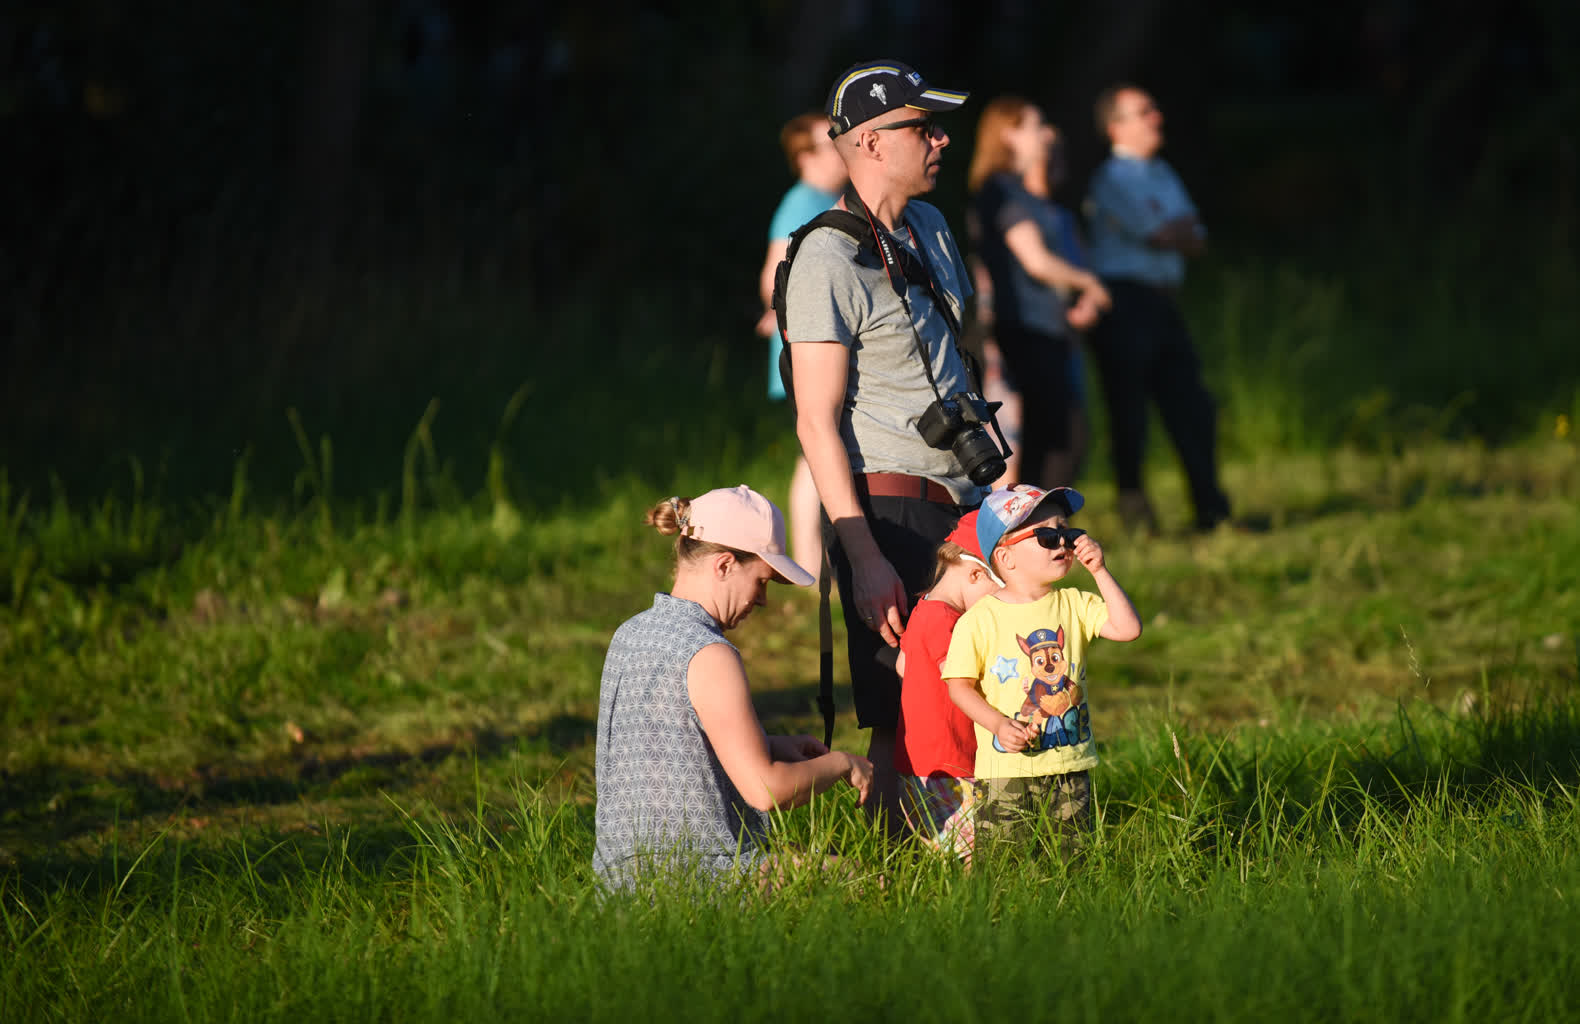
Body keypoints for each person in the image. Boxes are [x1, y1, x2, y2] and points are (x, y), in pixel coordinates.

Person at [782, 59, 994, 831]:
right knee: (904, 709)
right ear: (869, 141)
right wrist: (862, 553)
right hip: (891, 504)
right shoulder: (825, 260)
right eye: (922, 127)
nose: (941, 139)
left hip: (963, 499)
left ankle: (970, 854)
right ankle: (894, 867)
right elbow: (815, 419)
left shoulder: (931, 228)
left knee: (981, 685)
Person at [593, 485, 874, 888]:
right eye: (761, 581)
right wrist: (843, 764)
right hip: (694, 879)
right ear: (724, 565)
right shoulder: (709, 653)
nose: (761, 601)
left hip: (620, 882)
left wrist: (770, 743)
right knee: (854, 879)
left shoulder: (630, 634)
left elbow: (669, 740)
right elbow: (767, 791)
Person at [941, 484, 1142, 854]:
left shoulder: (1076, 603)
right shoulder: (980, 619)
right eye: (1048, 536)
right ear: (1006, 556)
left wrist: (1100, 571)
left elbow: (1128, 629)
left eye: (1067, 533)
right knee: (1005, 866)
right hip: (1006, 772)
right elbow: (959, 687)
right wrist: (999, 725)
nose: (1064, 544)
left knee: (1072, 862)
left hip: (1069, 764)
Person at [1085, 84, 1232, 533]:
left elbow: (1194, 238)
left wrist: (1177, 231)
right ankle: (1135, 510)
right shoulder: (1114, 178)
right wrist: (1176, 230)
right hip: (1125, 300)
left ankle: (1210, 507)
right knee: (1129, 411)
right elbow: (1165, 234)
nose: (1157, 118)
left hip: (1163, 300)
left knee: (1192, 404)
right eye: (1144, 112)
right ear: (1117, 127)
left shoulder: (1162, 173)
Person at [967, 96, 1110, 489]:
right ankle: (1039, 526)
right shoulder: (1000, 189)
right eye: (1036, 125)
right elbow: (1036, 261)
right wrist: (1090, 283)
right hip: (1024, 329)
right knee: (1060, 437)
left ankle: (1043, 527)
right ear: (1009, 134)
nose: (1047, 134)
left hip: (1048, 327)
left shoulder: (1021, 192)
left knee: (1058, 437)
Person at [756, 113, 850, 580]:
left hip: (812, 349)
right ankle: (809, 563)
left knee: (816, 452)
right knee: (814, 452)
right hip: (805, 354)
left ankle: (815, 560)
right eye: (830, 142)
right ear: (805, 156)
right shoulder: (802, 203)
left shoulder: (825, 200)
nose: (842, 147)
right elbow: (773, 275)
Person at [894, 509, 1002, 861]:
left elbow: (902, 665)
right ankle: (969, 913)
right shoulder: (946, 621)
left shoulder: (924, 609)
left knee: (946, 854)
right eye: (998, 596)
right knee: (972, 858)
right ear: (974, 574)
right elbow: (962, 677)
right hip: (949, 764)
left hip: (920, 762)